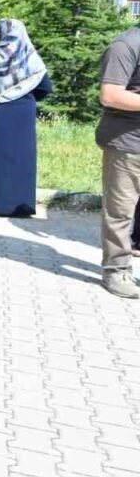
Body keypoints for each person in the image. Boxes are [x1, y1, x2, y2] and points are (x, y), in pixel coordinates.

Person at [0, 19, 51, 219]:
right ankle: (20, 205)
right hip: (23, 117)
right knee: (20, 161)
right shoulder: (32, 59)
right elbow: (45, 89)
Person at [99, 23, 140, 299]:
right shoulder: (125, 46)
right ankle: (116, 270)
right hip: (128, 145)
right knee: (120, 212)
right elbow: (110, 94)